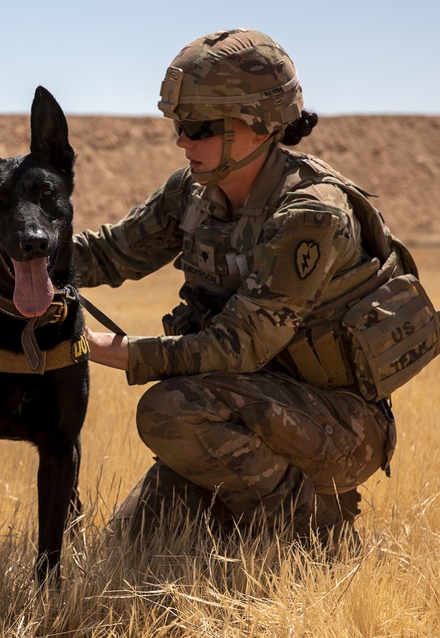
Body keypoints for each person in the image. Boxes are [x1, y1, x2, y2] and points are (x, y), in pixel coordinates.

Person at [73, 28, 419, 548]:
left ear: (258, 125)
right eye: (179, 125)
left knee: (169, 409)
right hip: (240, 408)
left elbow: (237, 345)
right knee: (130, 548)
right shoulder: (193, 191)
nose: (181, 140)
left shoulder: (310, 214)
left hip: (338, 425)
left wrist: (104, 349)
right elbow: (109, 253)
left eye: (199, 126)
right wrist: (23, 254)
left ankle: (313, 531)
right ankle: (251, 516)